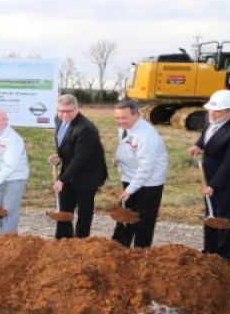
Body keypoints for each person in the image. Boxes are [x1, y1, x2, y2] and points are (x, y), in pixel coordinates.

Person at [186, 89, 230, 265]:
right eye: (211, 110)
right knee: (211, 215)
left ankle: (223, 259)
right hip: (212, 177)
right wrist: (198, 145)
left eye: (218, 111)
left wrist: (213, 185)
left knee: (226, 220)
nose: (213, 114)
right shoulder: (212, 120)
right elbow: (206, 136)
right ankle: (209, 253)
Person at [48, 94, 108, 239]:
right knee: (64, 207)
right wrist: (60, 154)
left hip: (88, 174)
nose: (65, 114)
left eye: (69, 111)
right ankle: (63, 240)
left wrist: (61, 180)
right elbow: (68, 143)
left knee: (84, 211)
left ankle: (81, 242)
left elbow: (80, 159)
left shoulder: (85, 129)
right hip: (70, 171)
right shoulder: (58, 119)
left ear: (77, 109)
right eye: (61, 111)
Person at [112, 100, 168, 248]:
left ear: (137, 114)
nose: (120, 121)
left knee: (143, 221)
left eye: (124, 118)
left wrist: (129, 190)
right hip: (130, 177)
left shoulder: (147, 136)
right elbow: (126, 145)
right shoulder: (124, 127)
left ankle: (141, 253)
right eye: (117, 118)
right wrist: (118, 157)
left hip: (149, 183)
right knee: (124, 214)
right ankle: (117, 248)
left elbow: (145, 168)